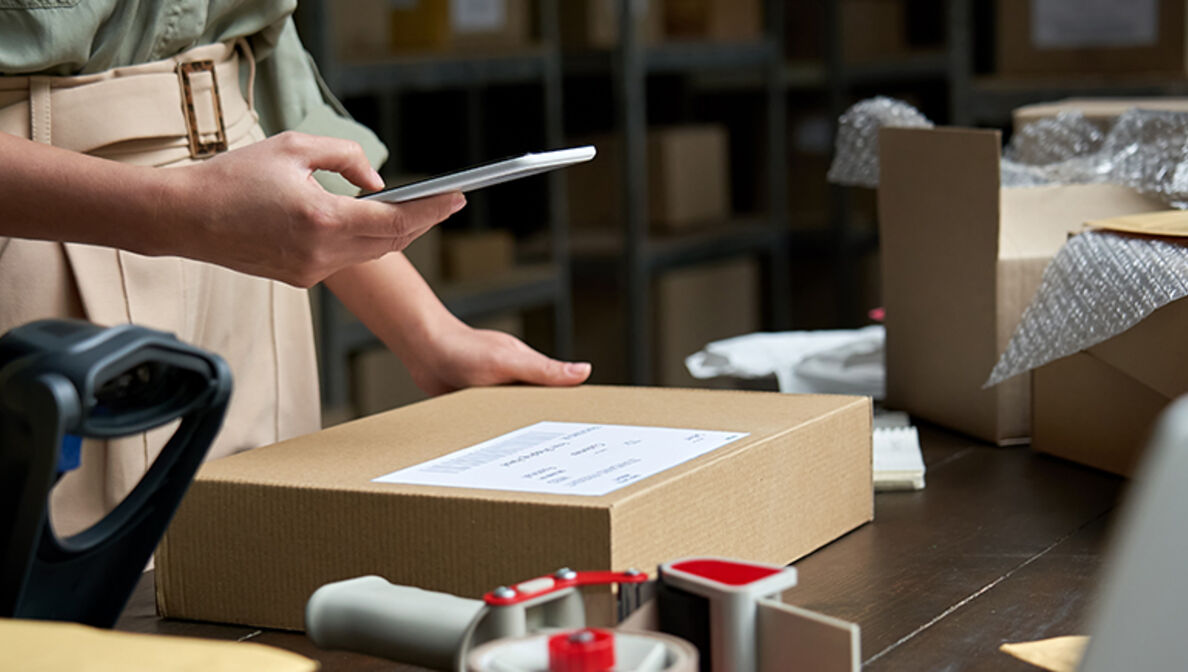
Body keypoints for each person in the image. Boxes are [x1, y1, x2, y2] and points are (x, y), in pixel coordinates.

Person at [0, 2, 591, 535]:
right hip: (46, 241)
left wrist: (432, 335)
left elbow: (270, 72)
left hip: (248, 283)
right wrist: (184, 213)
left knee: (255, 584)